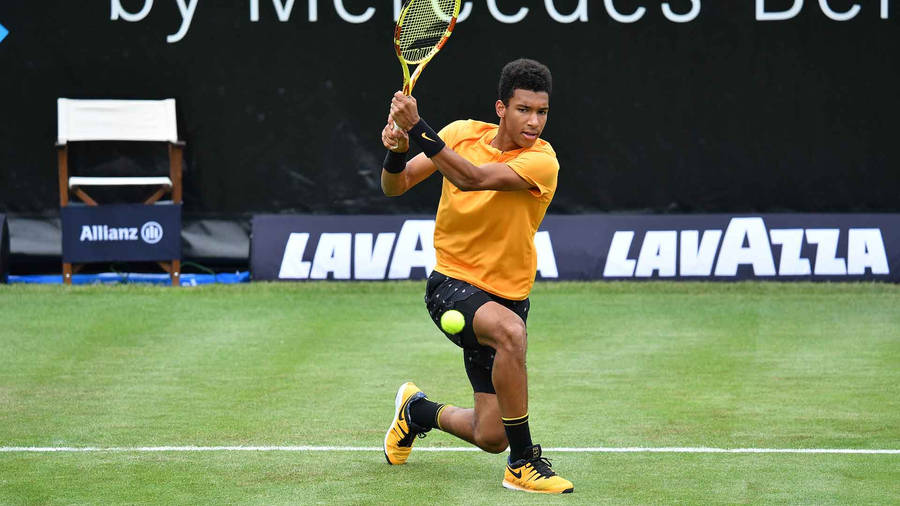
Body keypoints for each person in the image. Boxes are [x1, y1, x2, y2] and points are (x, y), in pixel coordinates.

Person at [380, 58, 573, 495]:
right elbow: (395, 186)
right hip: (451, 283)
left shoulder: (542, 162)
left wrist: (417, 128)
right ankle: (523, 464)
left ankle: (416, 411)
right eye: (524, 109)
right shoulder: (460, 134)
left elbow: (472, 179)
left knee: (490, 435)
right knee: (510, 333)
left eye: (542, 112)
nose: (534, 121)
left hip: (508, 295)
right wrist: (396, 150)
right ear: (501, 108)